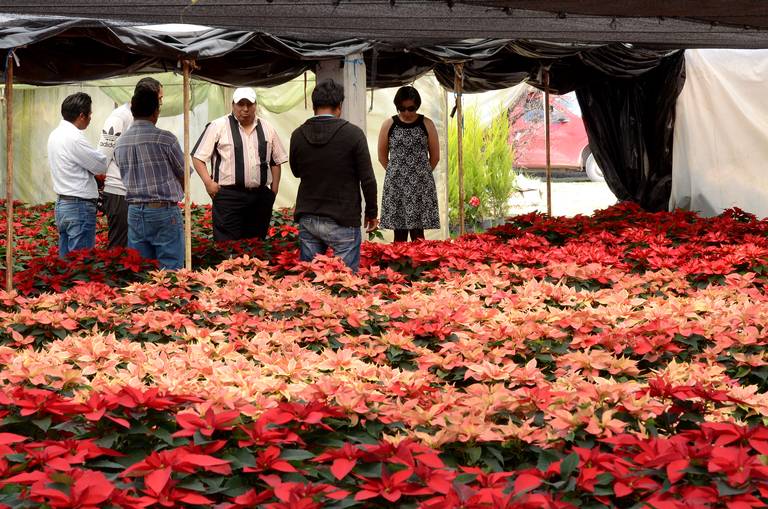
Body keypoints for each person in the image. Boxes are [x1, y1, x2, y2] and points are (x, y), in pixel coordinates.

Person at [289, 79, 378, 272]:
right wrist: (372, 213)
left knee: (312, 282)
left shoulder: (298, 135)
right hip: (343, 218)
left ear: (313, 106)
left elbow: (296, 172)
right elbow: (368, 179)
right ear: (339, 106)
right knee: (343, 283)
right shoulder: (353, 134)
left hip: (309, 216)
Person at [191, 87, 288, 241]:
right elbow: (198, 157)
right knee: (227, 245)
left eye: (249, 104)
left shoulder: (267, 128)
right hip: (229, 196)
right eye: (240, 104)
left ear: (255, 105)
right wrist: (208, 183)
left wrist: (274, 189)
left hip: (259, 196)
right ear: (233, 105)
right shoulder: (218, 126)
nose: (245, 109)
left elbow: (275, 160)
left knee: (256, 244)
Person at [113, 86, 185, 270]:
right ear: (156, 112)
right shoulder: (165, 139)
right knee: (170, 269)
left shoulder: (120, 143)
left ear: (133, 111)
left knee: (141, 269)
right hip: (164, 210)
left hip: (135, 211)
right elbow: (185, 174)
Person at [97, 77, 164, 249]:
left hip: (136, 194)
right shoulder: (119, 117)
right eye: (160, 98)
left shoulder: (144, 118)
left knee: (135, 247)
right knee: (119, 245)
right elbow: (103, 157)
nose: (161, 103)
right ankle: (114, 275)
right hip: (119, 191)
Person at [47, 92, 108, 258]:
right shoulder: (74, 137)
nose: (90, 118)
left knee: (66, 262)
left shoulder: (55, 134)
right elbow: (100, 165)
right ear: (82, 115)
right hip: (78, 206)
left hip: (63, 204)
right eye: (90, 114)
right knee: (80, 264)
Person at [377, 85, 440, 242]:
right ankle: (398, 265)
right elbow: (382, 156)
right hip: (396, 185)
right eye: (402, 109)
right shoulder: (388, 124)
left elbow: (435, 156)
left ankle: (419, 265)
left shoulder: (427, 124)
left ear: (417, 106)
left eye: (411, 108)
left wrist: (421, 174)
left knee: (418, 233)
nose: (406, 113)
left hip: (421, 185)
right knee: (399, 233)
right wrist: (396, 173)